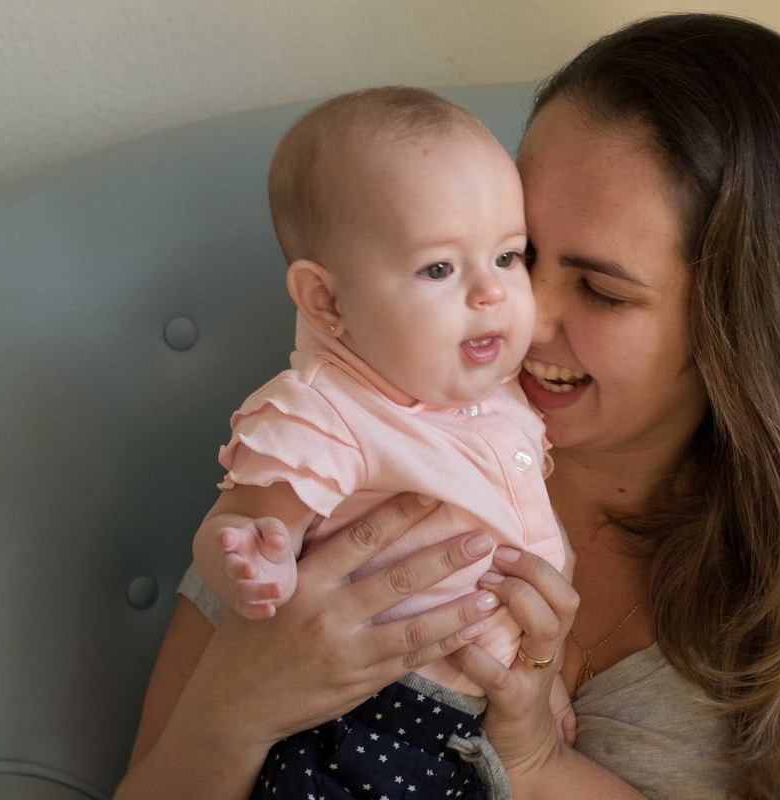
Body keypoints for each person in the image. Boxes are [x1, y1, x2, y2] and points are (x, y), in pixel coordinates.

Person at [118, 13, 780, 800]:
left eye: (600, 289)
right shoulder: (359, 448)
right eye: (520, 254)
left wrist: (537, 764)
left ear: (755, 323)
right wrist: (231, 713)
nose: (517, 320)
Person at [187, 86, 569, 799]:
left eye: (509, 257)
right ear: (327, 302)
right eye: (439, 269)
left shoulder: (499, 398)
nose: (490, 293)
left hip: (472, 728)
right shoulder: (327, 413)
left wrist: (545, 698)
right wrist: (250, 562)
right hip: (360, 723)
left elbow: (528, 559)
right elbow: (237, 523)